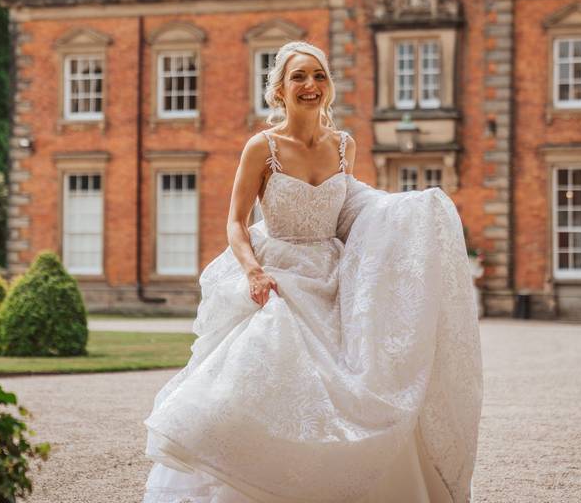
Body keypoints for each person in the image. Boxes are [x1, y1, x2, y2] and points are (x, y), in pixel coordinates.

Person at [142, 41, 482, 502]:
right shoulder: (261, 147)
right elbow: (235, 222)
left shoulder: (344, 146)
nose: (310, 85)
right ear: (279, 89)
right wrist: (253, 272)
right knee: (253, 382)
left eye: (319, 76)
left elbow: (351, 214)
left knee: (349, 389)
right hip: (279, 275)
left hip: (334, 277)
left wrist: (413, 212)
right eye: (299, 77)